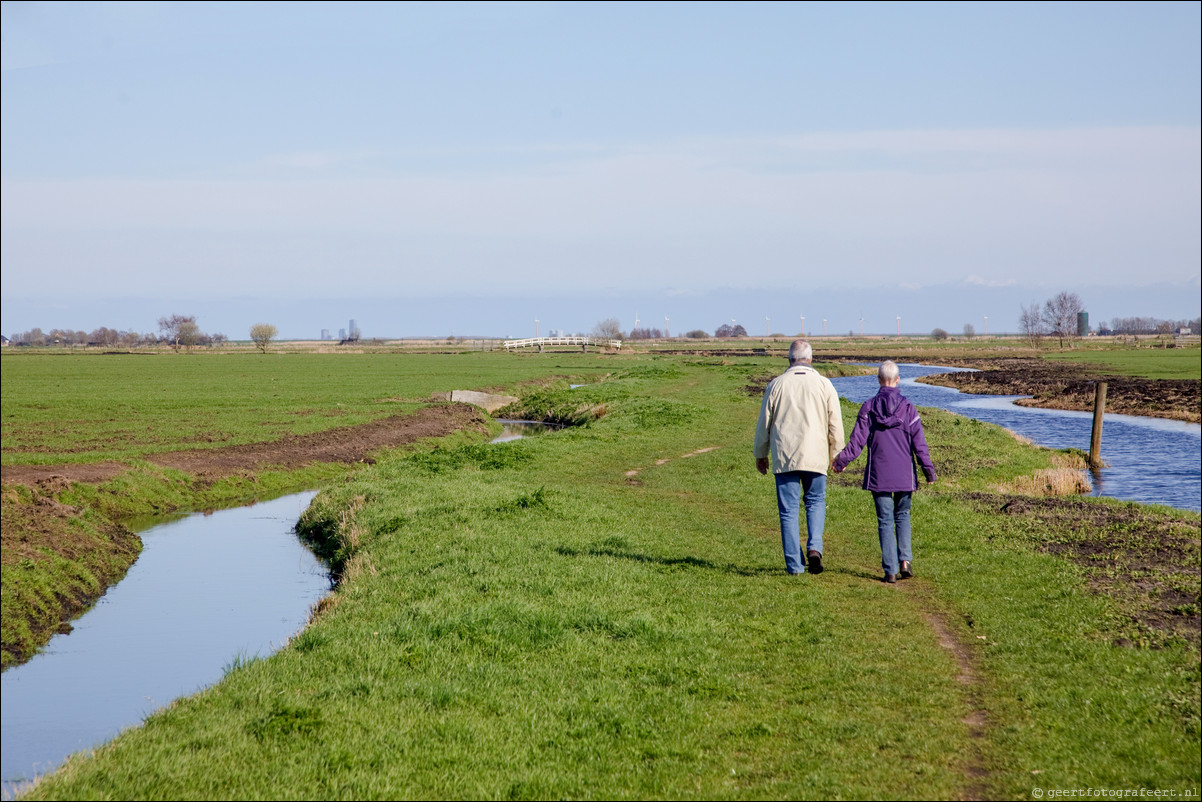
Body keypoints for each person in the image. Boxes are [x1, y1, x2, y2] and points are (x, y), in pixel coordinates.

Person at [833, 360, 936, 584]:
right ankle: (905, 562)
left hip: (879, 474)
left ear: (879, 379)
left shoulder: (868, 407)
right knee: (903, 516)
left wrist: (841, 461)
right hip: (904, 474)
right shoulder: (908, 408)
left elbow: (857, 442)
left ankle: (890, 570)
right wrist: (928, 471)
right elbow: (920, 444)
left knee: (885, 521)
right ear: (897, 380)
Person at [754, 340, 845, 575]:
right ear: (811, 359)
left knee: (788, 511)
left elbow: (764, 424)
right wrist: (837, 454)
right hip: (816, 456)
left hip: (786, 457)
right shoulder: (825, 385)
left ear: (789, 359)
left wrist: (760, 454)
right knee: (815, 502)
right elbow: (835, 424)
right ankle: (814, 548)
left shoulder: (776, 385)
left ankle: (795, 566)